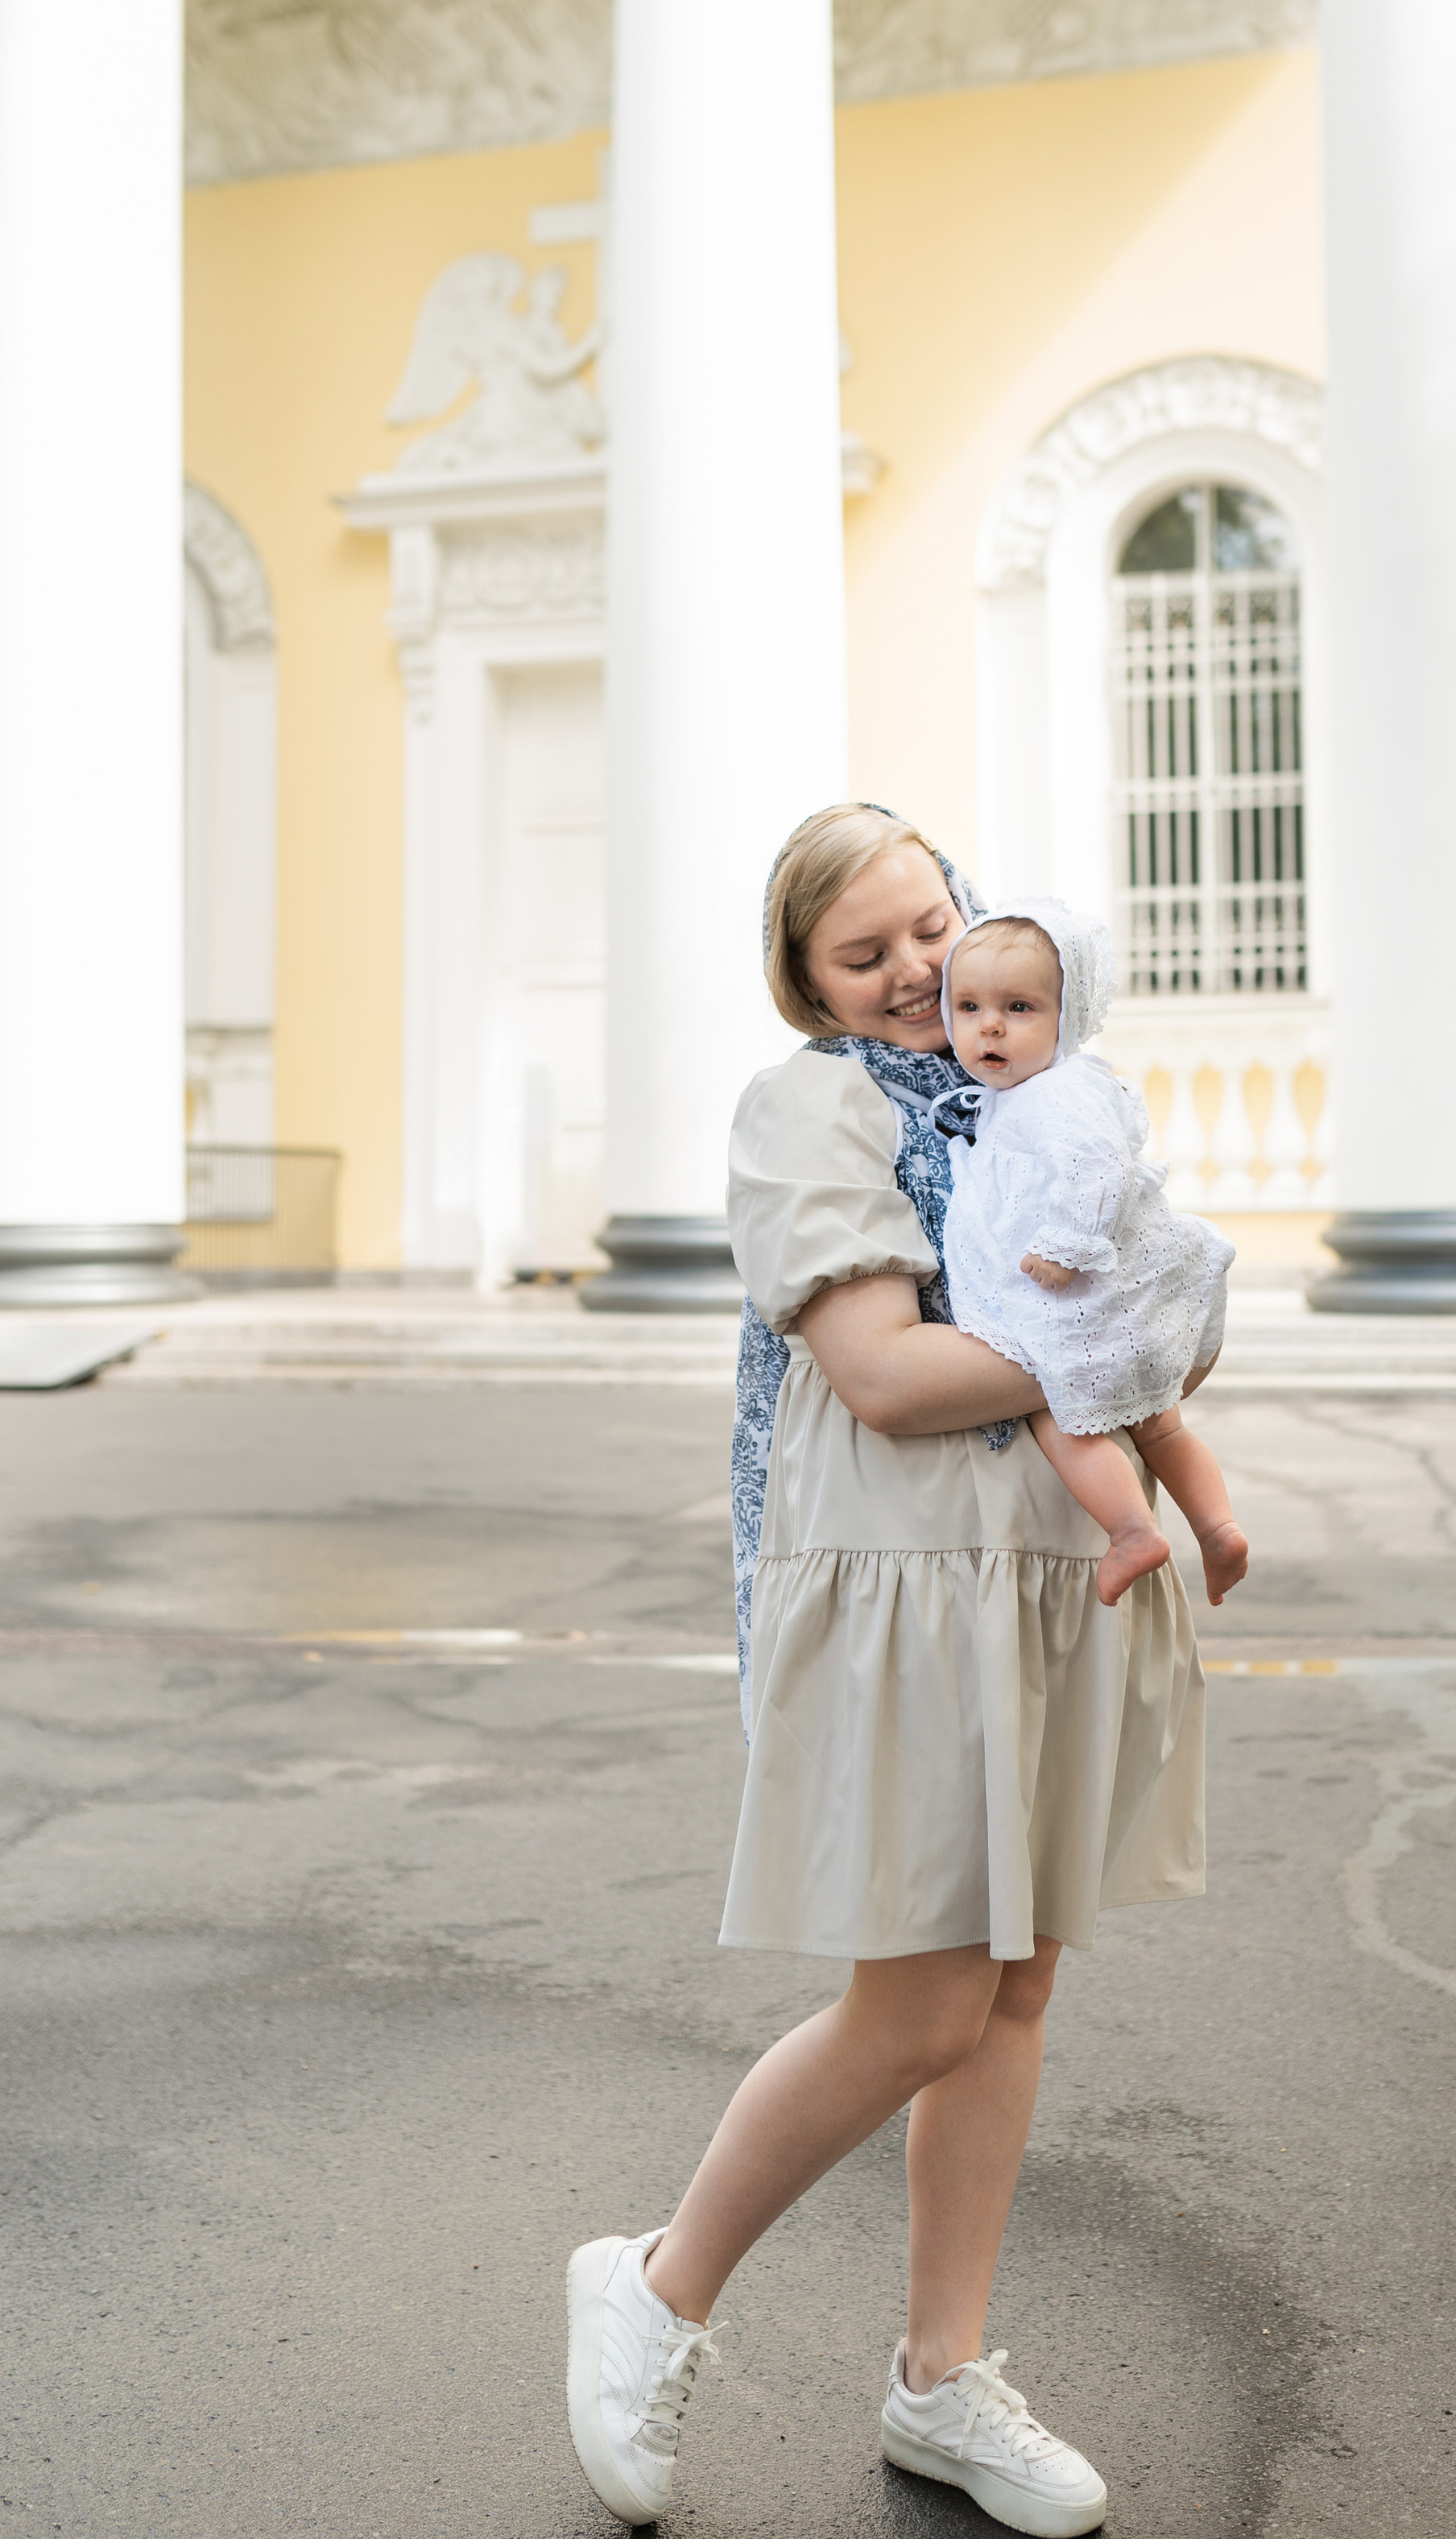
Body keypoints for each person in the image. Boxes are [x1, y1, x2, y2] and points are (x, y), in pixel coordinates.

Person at [565, 803, 1207, 2537]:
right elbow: (888, 1377)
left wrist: (1139, 1343)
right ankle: (658, 2283)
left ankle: (942, 2378)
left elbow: (1157, 1325)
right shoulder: (810, 1108)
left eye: (934, 922)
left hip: (1052, 1570)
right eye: (867, 954)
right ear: (808, 989)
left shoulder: (1035, 1094)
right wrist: (1110, 1328)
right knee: (918, 1996)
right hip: (905, 1579)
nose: (920, 967)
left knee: (1011, 1991)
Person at [939, 901, 1248, 1609]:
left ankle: (1132, 1532)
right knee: (1161, 1425)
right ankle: (1219, 1527)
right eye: (969, 1006)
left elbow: (1097, 1167)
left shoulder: (1056, 1093)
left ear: (1065, 1015)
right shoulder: (1024, 1094)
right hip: (1115, 1303)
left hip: (1085, 1299)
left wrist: (1065, 1245)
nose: (989, 1026)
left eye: (1018, 1007)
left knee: (1059, 1420)